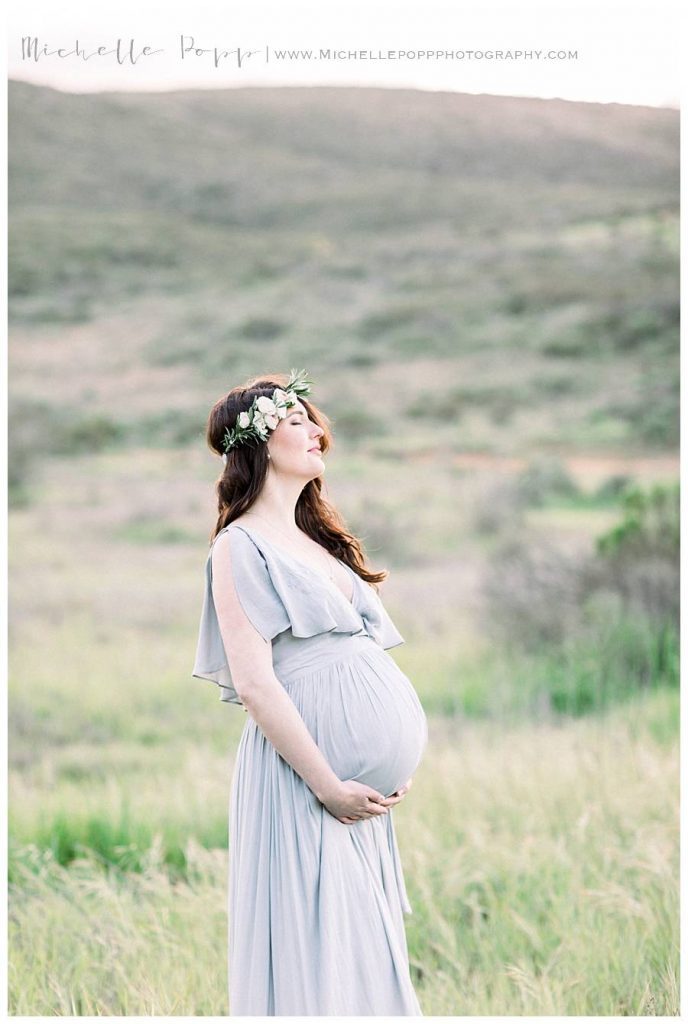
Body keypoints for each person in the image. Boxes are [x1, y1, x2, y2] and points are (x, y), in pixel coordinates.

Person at [192, 369, 429, 1015]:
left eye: (312, 418)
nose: (316, 430)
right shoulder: (238, 547)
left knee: (359, 953)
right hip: (309, 784)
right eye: (296, 421)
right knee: (316, 952)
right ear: (260, 442)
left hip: (359, 792)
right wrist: (328, 783)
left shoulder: (318, 537)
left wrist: (387, 759)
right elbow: (255, 682)